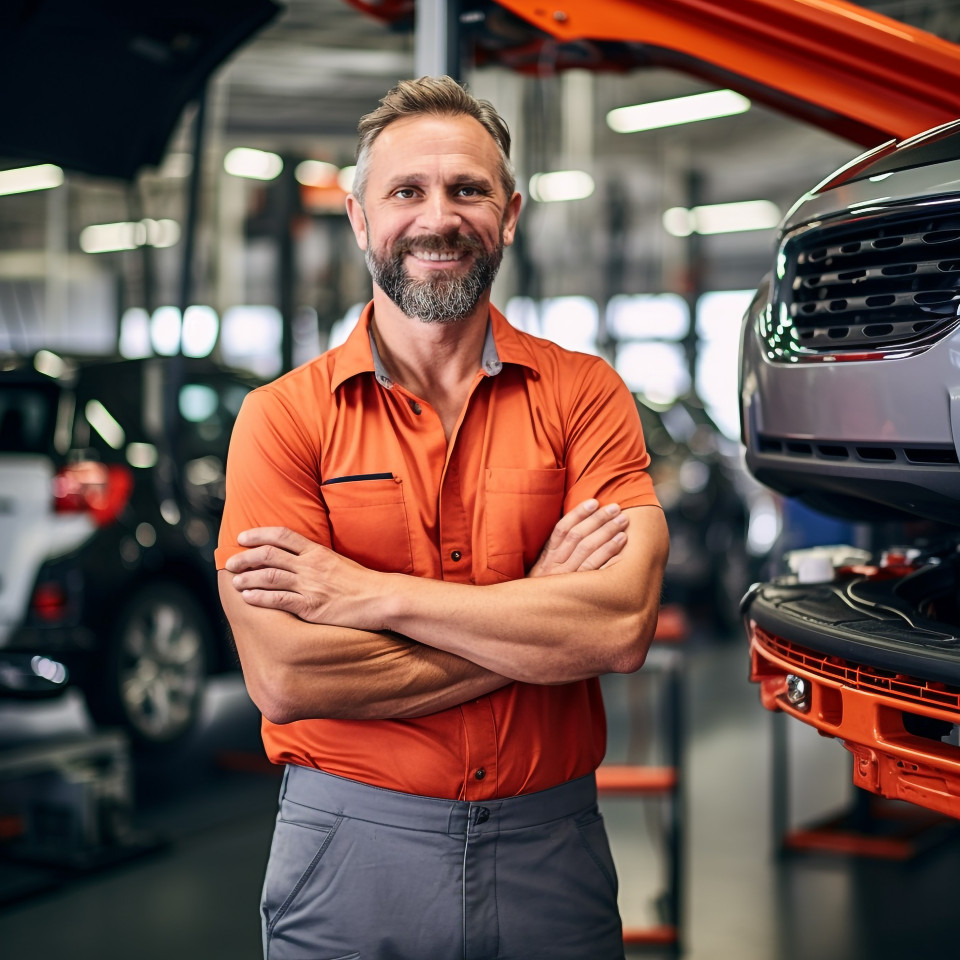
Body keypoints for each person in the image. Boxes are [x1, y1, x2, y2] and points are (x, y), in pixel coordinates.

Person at [216, 75, 669, 960]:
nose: (439, 217)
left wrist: (366, 594)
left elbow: (616, 627)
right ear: (358, 217)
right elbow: (288, 676)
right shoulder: (282, 418)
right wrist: (535, 610)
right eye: (406, 192)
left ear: (510, 213)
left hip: (553, 849)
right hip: (350, 853)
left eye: (468, 190)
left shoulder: (586, 395)